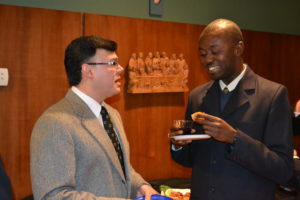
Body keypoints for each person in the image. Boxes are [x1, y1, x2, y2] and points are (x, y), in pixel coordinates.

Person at [170, 19, 293, 200]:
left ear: (238, 49)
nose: (208, 60)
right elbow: (188, 159)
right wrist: (178, 144)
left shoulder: (272, 95)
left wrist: (235, 139)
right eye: (203, 54)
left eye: (215, 52)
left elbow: (283, 170)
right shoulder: (197, 96)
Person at [30, 35, 157, 200]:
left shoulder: (112, 114)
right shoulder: (54, 123)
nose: (121, 69)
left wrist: (140, 186)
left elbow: (119, 168)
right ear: (88, 71)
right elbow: (53, 196)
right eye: (113, 63)